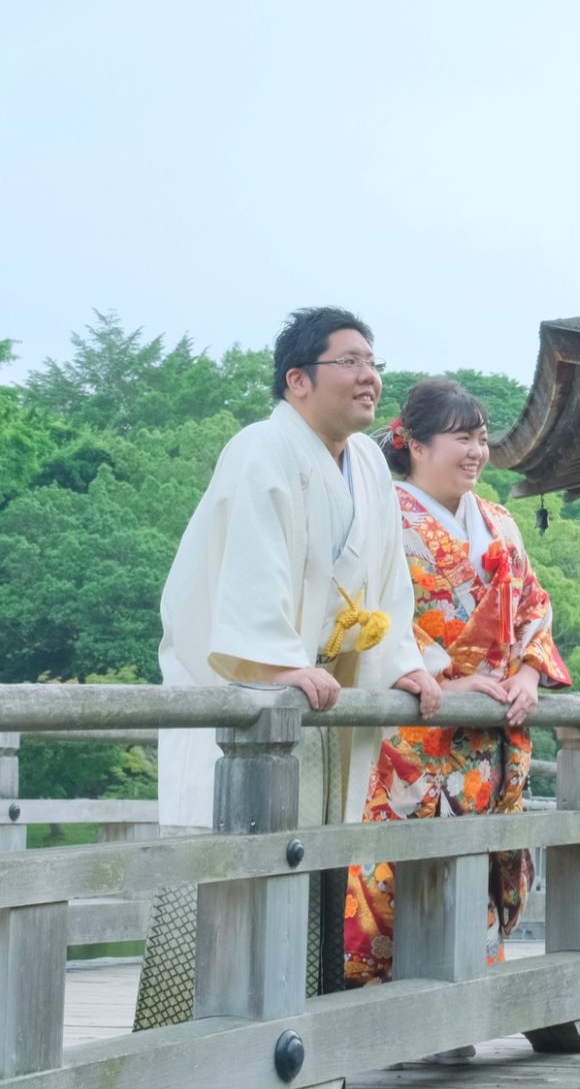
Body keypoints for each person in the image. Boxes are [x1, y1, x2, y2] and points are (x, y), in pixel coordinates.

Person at [138, 307, 441, 1030]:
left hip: (327, 701)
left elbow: (388, 583)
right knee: (238, 871)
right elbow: (247, 570)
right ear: (298, 380)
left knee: (314, 867)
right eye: (351, 362)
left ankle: (302, 1045)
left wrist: (402, 660)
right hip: (257, 696)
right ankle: (200, 1049)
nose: (370, 378)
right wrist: (274, 658)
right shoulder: (259, 450)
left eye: (375, 362)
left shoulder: (368, 462)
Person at [343, 378, 570, 985]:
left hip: (493, 733)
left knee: (480, 871)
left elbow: (533, 608)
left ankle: (463, 1019)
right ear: (415, 444)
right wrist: (444, 677)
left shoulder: (500, 523)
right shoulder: (383, 516)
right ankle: (384, 1016)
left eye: (482, 439)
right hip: (418, 728)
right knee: (399, 874)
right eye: (461, 438)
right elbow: (374, 611)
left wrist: (526, 674)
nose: (476, 451)